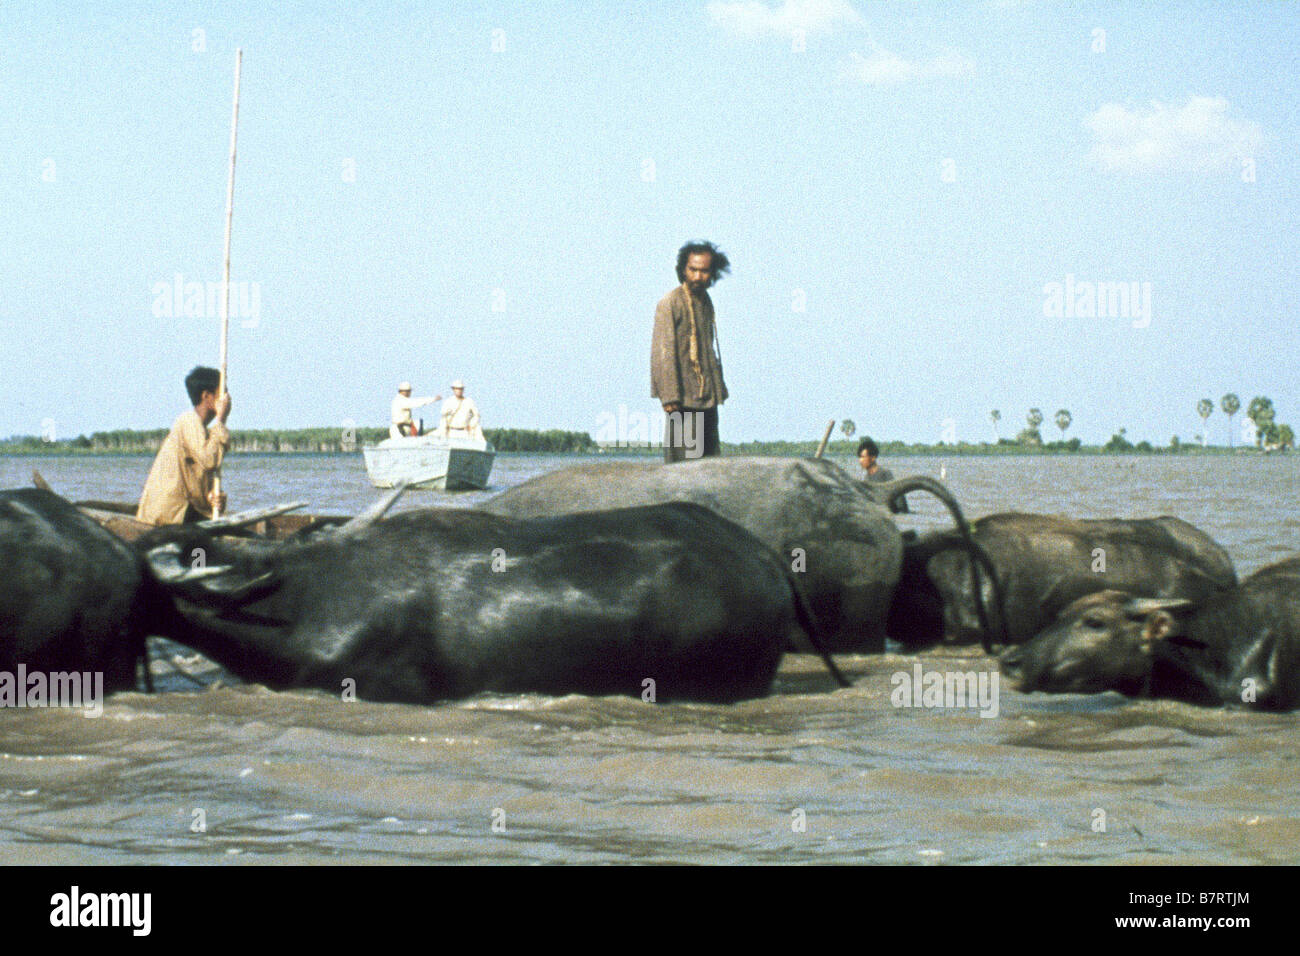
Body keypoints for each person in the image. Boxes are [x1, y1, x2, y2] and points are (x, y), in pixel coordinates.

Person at [651, 240, 730, 462]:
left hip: (707, 398)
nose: (697, 276)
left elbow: (709, 350)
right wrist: (669, 396)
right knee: (681, 472)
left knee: (710, 465)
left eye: (704, 271)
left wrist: (717, 391)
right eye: (692, 270)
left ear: (712, 273)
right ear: (683, 270)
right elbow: (662, 352)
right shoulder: (670, 302)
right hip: (681, 399)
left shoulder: (706, 302)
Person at [136, 366, 231, 525]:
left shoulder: (205, 433)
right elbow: (210, 460)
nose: (227, 399)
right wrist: (221, 419)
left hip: (183, 512)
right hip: (168, 515)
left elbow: (196, 479)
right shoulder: (187, 421)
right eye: (222, 394)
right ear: (207, 396)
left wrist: (212, 498)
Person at [858, 436, 908, 513]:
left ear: (873, 457)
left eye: (863, 457)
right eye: (859, 457)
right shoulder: (866, 478)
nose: (860, 460)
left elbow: (899, 497)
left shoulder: (885, 474)